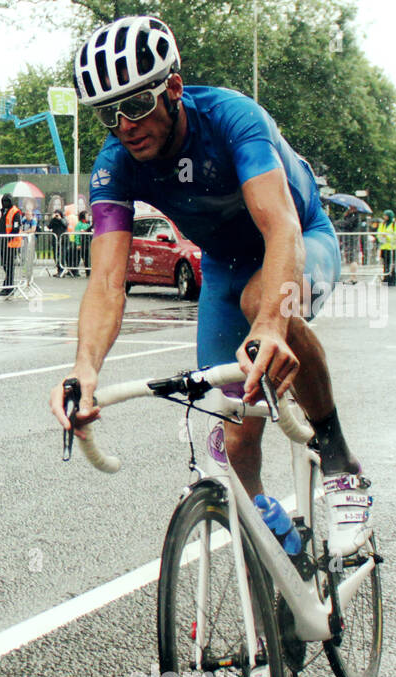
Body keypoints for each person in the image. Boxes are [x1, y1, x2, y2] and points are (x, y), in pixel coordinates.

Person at [51, 17, 370, 617]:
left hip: (298, 243)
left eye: (137, 104)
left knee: (260, 304)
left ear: (173, 87)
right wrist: (84, 369)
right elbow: (107, 278)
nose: (125, 127)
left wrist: (273, 323)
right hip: (225, 265)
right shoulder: (115, 161)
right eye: (108, 114)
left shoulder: (231, 118)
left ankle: (337, 458)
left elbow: (281, 229)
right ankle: (277, 561)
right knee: (231, 425)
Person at [0, 193, 23, 296]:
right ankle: (7, 286)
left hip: (10, 243)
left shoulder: (15, 212)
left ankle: (8, 287)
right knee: (6, 265)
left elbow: (15, 228)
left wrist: (7, 238)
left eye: (6, 201)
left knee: (9, 266)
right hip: (4, 242)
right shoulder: (4, 212)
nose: (5, 203)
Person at [375, 209, 396, 286]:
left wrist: (388, 237)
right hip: (384, 247)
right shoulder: (382, 224)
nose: (384, 217)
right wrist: (381, 237)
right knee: (385, 264)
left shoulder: (395, 224)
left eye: (386, 215)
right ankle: (386, 278)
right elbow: (378, 233)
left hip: (393, 247)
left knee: (392, 264)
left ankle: (392, 279)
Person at [48, 209, 70, 276]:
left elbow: (65, 225)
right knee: (56, 256)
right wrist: (52, 218)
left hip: (63, 240)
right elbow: (49, 226)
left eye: (58, 214)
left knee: (62, 256)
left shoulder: (64, 219)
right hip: (56, 240)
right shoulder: (54, 220)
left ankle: (62, 270)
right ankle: (58, 270)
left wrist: (60, 219)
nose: (57, 215)